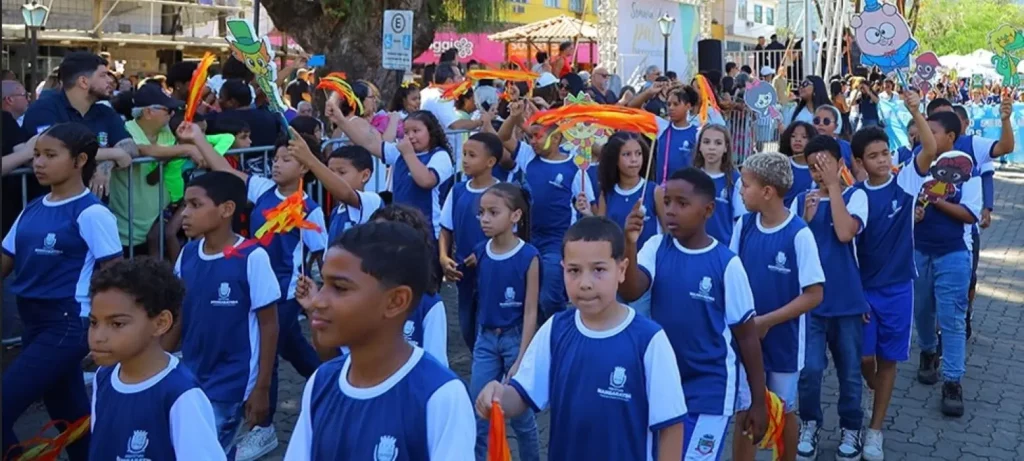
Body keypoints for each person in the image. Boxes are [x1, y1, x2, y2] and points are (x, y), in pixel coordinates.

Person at [476, 216, 686, 460]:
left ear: (621, 270)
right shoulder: (555, 329)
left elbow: (671, 426)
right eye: (574, 271)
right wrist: (499, 395)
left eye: (599, 270)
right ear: (563, 269)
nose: (585, 283)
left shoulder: (649, 340)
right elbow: (522, 394)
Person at [284, 221, 475, 460]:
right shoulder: (321, 382)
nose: (319, 301)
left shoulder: (440, 396)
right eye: (323, 284)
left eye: (340, 288)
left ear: (396, 301)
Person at [191, 128, 327, 459]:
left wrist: (319, 297)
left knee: (270, 349)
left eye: (287, 159)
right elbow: (225, 171)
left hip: (282, 292)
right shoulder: (263, 189)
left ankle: (262, 427)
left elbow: (322, 254)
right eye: (276, 158)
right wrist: (197, 139)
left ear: (305, 166)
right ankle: (331, 381)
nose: (277, 165)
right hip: (249, 282)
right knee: (292, 348)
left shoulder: (310, 209)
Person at [619, 167, 767, 459]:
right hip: (663, 383)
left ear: (708, 210)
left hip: (710, 389)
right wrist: (630, 243)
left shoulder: (727, 264)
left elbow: (747, 337)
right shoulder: (656, 246)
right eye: (668, 202)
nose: (671, 211)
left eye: (682, 204)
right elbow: (631, 290)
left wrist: (758, 401)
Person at [1, 122, 123, 460]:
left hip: (66, 325)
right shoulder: (33, 208)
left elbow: (116, 277)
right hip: (34, 324)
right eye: (37, 155)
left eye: (50, 155)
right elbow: (5, 262)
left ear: (79, 160)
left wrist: (109, 334)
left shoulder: (92, 213)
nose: (38, 163)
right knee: (73, 420)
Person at [166, 171, 280, 457]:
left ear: (226, 209)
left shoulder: (253, 257)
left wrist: (262, 388)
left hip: (231, 383)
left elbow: (269, 325)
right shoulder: (188, 254)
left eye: (195, 205)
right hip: (191, 377)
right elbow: (179, 315)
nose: (185, 215)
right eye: (184, 205)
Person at [851, 92, 939, 460]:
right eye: (873, 157)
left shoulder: (905, 184)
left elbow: (930, 149)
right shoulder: (855, 196)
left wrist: (916, 110)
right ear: (860, 162)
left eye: (885, 153)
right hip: (865, 291)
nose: (883, 161)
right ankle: (874, 392)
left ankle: (874, 431)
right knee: (863, 359)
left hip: (900, 289)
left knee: (888, 361)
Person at [729, 152, 825, 461]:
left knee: (783, 409)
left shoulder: (799, 234)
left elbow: (814, 294)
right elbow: (730, 278)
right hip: (745, 339)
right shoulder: (743, 225)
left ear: (767, 191)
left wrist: (768, 321)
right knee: (745, 410)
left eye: (745, 185)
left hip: (784, 341)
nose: (741, 191)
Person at [88, 257, 224, 460]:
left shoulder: (180, 395)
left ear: (161, 323)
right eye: (93, 322)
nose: (98, 337)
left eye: (116, 324)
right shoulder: (103, 377)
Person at [791, 135, 869, 461]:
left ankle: (851, 428)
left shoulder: (856, 196)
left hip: (847, 301)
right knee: (809, 370)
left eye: (825, 165)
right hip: (810, 304)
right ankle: (809, 422)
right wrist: (805, 220)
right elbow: (792, 250)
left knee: (850, 372)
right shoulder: (799, 201)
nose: (819, 173)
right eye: (813, 168)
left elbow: (843, 232)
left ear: (840, 164)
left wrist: (834, 188)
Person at [495, 101, 595, 319]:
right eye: (531, 137)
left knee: (549, 297)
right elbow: (502, 138)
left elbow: (591, 208)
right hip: (526, 237)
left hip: (557, 242)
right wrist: (514, 117)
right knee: (524, 294)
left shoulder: (575, 169)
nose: (532, 142)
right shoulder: (528, 157)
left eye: (538, 136)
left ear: (557, 138)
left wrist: (585, 212)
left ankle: (558, 328)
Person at [912, 112, 983, 417]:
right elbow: (904, 202)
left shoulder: (969, 170)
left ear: (951, 136)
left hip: (954, 253)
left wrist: (937, 201)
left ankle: (953, 381)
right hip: (917, 253)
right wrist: (913, 212)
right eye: (923, 129)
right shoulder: (916, 167)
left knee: (952, 318)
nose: (924, 135)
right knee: (922, 310)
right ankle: (928, 352)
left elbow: (970, 214)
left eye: (933, 131)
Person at [465, 182, 541, 460]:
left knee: (522, 418)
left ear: (515, 216)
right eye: (482, 212)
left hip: (515, 338)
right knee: (479, 410)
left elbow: (531, 310)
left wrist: (522, 357)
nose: (484, 218)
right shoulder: (481, 251)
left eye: (493, 212)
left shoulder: (529, 256)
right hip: (485, 339)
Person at [20, 52, 137, 198]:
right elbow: (54, 152)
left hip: (92, 209)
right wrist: (114, 153)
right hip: (50, 207)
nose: (110, 81)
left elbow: (130, 146)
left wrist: (106, 163)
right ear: (83, 82)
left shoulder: (105, 111)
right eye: (102, 75)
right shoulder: (44, 109)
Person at [334, 107, 455, 239]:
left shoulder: (439, 155)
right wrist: (341, 121)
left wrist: (408, 154)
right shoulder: (400, 153)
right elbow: (369, 143)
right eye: (406, 132)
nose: (411, 136)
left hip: (429, 232)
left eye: (416, 131)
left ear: (431, 132)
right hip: (401, 230)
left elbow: (426, 180)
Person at [111, 83, 193, 257]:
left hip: (159, 218)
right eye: (168, 111)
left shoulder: (166, 133)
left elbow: (159, 168)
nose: (172, 115)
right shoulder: (125, 131)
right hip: (128, 226)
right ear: (148, 112)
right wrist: (186, 150)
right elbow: (139, 149)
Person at [439, 132, 502, 348]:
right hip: (463, 269)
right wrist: (443, 256)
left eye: (472, 155)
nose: (465, 159)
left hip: (493, 269)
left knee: (488, 322)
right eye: (464, 154)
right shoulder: (457, 191)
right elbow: (446, 228)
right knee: (466, 323)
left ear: (490, 162)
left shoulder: (502, 193)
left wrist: (484, 252)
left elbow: (508, 233)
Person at [593, 132, 661, 316]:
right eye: (627, 155)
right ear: (614, 159)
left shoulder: (654, 191)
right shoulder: (607, 193)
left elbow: (666, 235)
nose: (634, 160)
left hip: (645, 274)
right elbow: (600, 231)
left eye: (638, 154)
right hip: (614, 271)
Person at [629, 84, 701, 185]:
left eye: (676, 104)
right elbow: (633, 108)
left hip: (688, 192)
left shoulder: (698, 132)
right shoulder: (662, 127)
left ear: (688, 106)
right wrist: (648, 93)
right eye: (668, 104)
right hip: (664, 192)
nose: (671, 108)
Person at [321, 144, 383, 243]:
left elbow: (346, 194)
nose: (334, 178)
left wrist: (309, 159)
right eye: (330, 173)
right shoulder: (336, 212)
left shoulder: (372, 201)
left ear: (365, 175)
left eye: (341, 172)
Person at [694, 125, 743, 245]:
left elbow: (740, 220)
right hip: (693, 246)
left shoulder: (735, 180)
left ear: (726, 148)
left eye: (718, 143)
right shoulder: (691, 177)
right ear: (699, 146)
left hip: (724, 248)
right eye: (706, 142)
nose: (711, 147)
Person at [779, 121, 816, 207]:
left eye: (804, 137)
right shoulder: (782, 165)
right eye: (793, 136)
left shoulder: (817, 167)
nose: (798, 140)